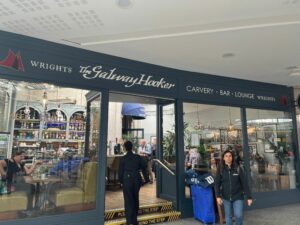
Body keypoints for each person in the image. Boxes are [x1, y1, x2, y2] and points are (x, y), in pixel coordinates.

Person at [215, 149, 252, 225]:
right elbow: (217, 183)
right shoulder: (221, 169)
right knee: (228, 217)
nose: (228, 158)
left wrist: (249, 197)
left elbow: (244, 183)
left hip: (238, 196)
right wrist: (218, 196)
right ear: (223, 158)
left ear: (232, 157)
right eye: (226, 156)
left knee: (238, 215)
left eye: (230, 156)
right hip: (225, 197)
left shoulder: (238, 168)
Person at [118, 141, 147, 225]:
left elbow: (120, 172)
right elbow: (144, 167)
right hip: (137, 179)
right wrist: (145, 179)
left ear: (125, 148)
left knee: (128, 200)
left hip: (127, 180)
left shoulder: (123, 158)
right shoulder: (137, 157)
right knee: (135, 198)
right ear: (132, 147)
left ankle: (129, 221)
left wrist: (121, 181)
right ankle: (135, 221)